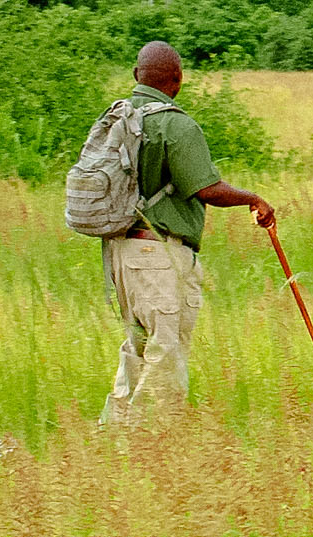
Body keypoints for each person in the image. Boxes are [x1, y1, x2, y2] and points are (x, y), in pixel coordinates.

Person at [99, 41, 276, 423]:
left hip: (121, 253)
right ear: (178, 80)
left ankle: (115, 434)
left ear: (136, 76)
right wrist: (253, 199)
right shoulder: (176, 124)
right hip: (159, 256)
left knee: (137, 345)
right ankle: (151, 443)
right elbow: (206, 189)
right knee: (166, 349)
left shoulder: (120, 116)